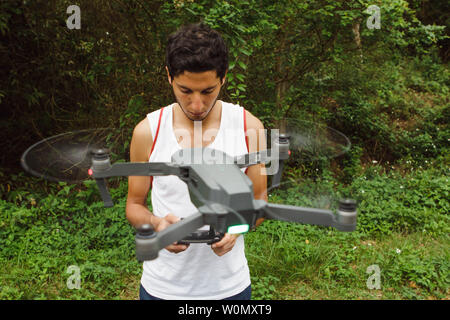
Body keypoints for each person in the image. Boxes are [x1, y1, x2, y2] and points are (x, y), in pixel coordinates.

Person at [125, 22, 267, 300]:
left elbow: (259, 202)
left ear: (224, 77)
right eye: (186, 91)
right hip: (162, 288)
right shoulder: (148, 131)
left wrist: (237, 228)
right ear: (169, 76)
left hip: (229, 288)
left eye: (208, 91)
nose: (197, 105)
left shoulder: (250, 127)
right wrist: (156, 223)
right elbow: (134, 205)